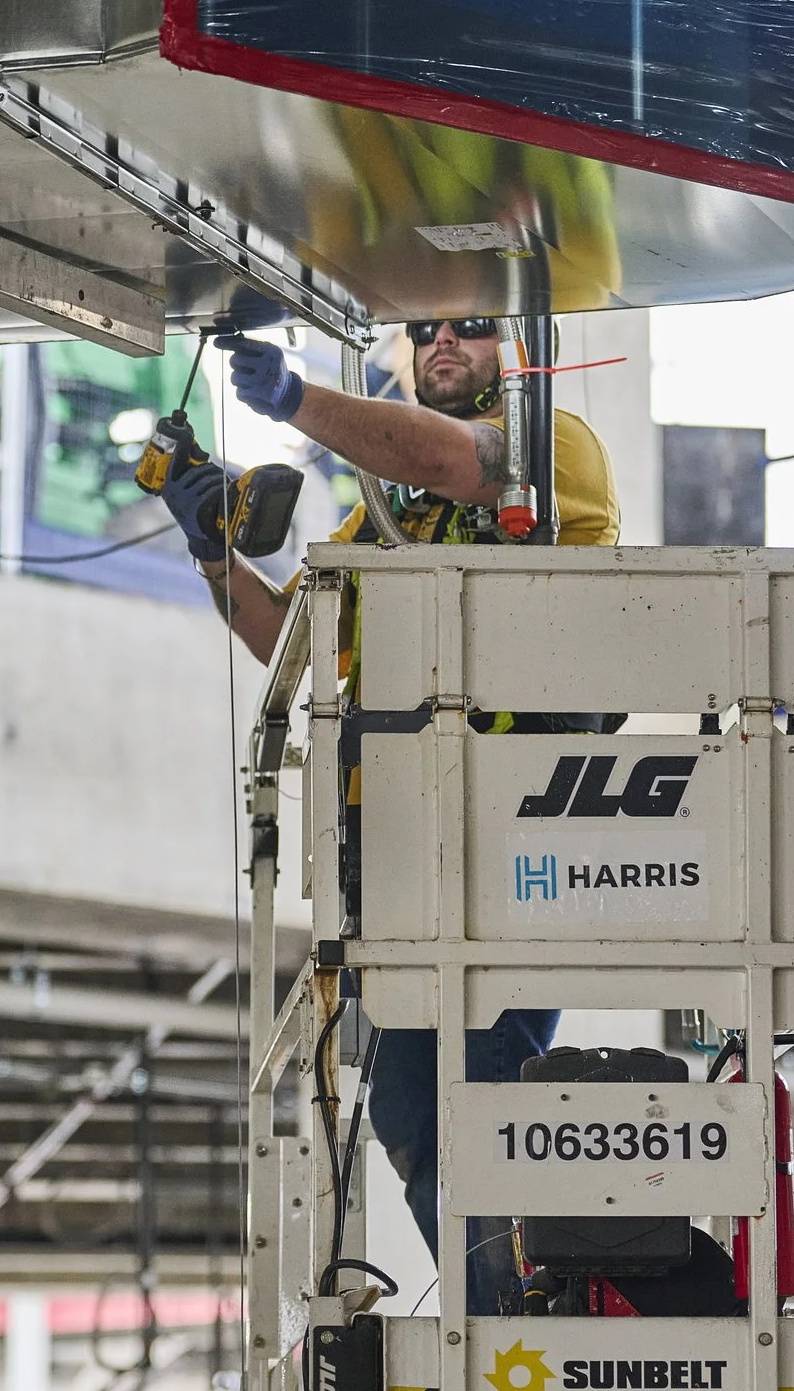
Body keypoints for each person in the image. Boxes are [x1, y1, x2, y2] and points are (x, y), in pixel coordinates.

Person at [161, 319, 621, 1311]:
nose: (446, 339)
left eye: (471, 327)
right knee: (415, 1104)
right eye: (427, 330)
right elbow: (294, 639)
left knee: (479, 1081)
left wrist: (293, 403)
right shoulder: (378, 518)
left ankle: (528, 1323)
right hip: (405, 849)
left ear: (515, 348)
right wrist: (210, 550)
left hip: (515, 825)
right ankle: (506, 1313)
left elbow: (450, 457)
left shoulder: (546, 445)